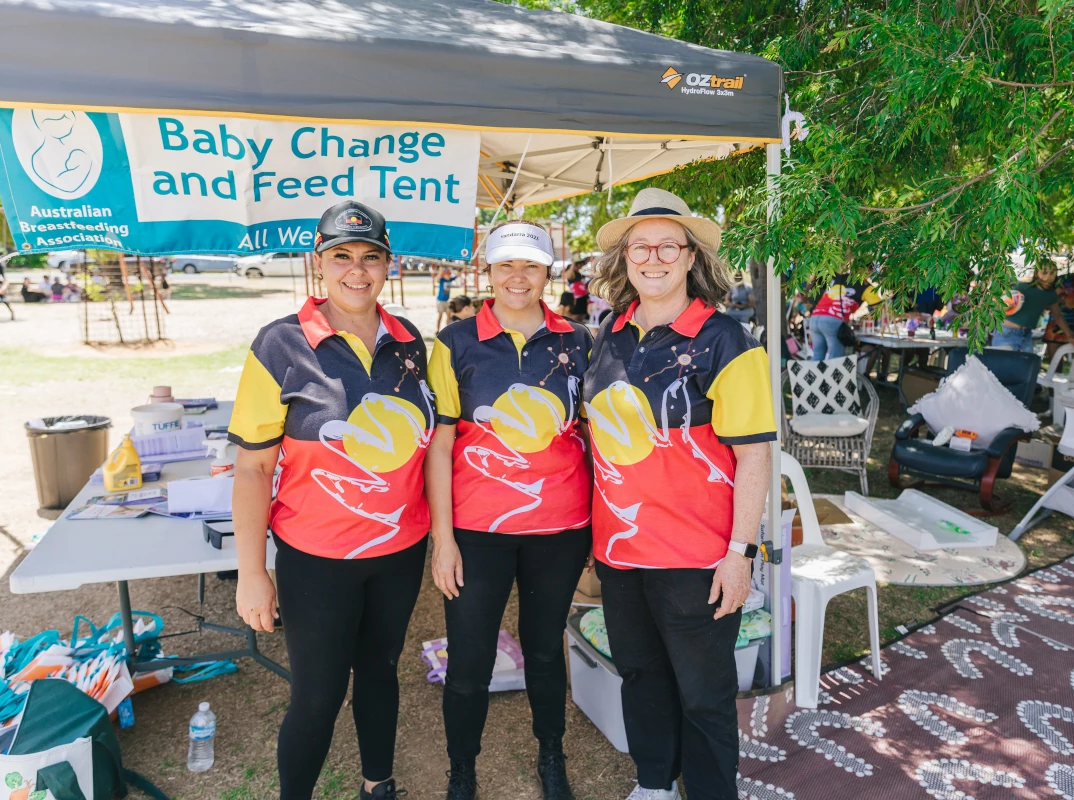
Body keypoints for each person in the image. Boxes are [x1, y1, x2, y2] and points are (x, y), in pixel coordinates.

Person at [229, 201, 429, 800]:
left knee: (380, 672)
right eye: (341, 256)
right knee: (317, 695)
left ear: (388, 264)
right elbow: (252, 466)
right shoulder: (281, 343)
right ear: (320, 264)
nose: (356, 270)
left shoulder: (410, 341)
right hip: (315, 557)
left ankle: (378, 785)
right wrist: (250, 572)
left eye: (370, 257)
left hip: (399, 548)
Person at [584, 188, 776, 800]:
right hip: (619, 550)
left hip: (696, 556)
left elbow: (754, 455)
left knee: (704, 696)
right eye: (641, 245)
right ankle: (654, 784)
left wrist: (741, 552)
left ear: (691, 256)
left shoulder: (727, 340)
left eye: (669, 244)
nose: (654, 256)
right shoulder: (608, 334)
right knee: (640, 675)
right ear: (625, 259)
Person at [427, 221, 593, 800]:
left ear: (548, 272)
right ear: (488, 272)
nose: (517, 277)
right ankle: (462, 771)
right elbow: (441, 443)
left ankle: (553, 756)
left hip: (561, 526)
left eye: (530, 265)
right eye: (505, 266)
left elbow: (596, 438)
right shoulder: (455, 342)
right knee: (468, 658)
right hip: (478, 528)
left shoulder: (580, 340)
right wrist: (442, 539)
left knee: (545, 648)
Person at [992, 261, 1074, 352]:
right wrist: (1006, 307)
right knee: (1003, 363)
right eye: (1044, 272)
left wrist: (1069, 335)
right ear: (1036, 273)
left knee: (1026, 364)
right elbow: (999, 306)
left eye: (1052, 272)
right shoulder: (1021, 287)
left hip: (1027, 334)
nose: (1049, 276)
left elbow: (1057, 316)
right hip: (1007, 333)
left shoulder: (1051, 295)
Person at [808, 272, 881, 360]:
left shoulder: (839, 278)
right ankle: (832, 374)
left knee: (817, 356)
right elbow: (879, 308)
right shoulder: (865, 285)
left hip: (815, 317)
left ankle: (815, 374)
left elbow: (824, 297)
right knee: (836, 359)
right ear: (870, 269)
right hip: (833, 320)